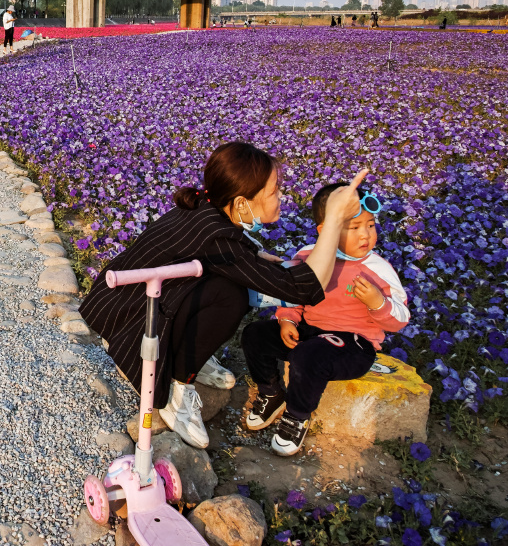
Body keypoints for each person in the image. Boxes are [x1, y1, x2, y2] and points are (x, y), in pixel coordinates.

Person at [79, 142, 367, 449]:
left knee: (233, 287)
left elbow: (233, 245)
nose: (281, 196)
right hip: (132, 317)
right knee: (232, 297)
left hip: (122, 298)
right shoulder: (216, 239)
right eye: (274, 191)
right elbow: (304, 289)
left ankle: (190, 352)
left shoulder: (207, 205)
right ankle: (177, 383)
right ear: (242, 202)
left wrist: (256, 254)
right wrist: (334, 220)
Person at [241, 182, 408, 456]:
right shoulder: (308, 256)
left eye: (370, 225)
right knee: (255, 335)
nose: (365, 235)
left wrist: (377, 302)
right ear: (325, 230)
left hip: (354, 344)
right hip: (309, 331)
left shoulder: (378, 269)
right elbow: (293, 294)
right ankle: (271, 392)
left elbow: (399, 319)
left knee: (309, 355)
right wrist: (287, 319)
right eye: (353, 228)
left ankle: (297, 415)